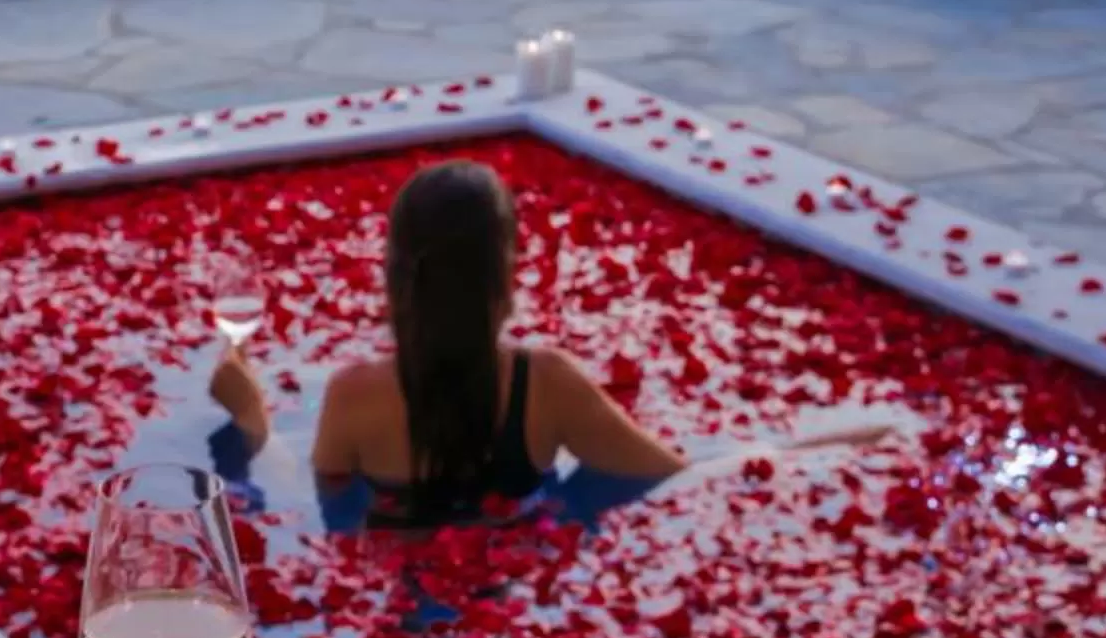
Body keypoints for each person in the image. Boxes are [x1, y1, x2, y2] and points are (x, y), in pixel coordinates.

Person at [208, 157, 896, 527]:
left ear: (396, 270)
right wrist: (804, 451)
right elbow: (674, 474)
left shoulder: (354, 393)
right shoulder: (548, 383)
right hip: (517, 571)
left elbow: (308, 500)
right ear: (506, 269)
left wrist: (253, 419)